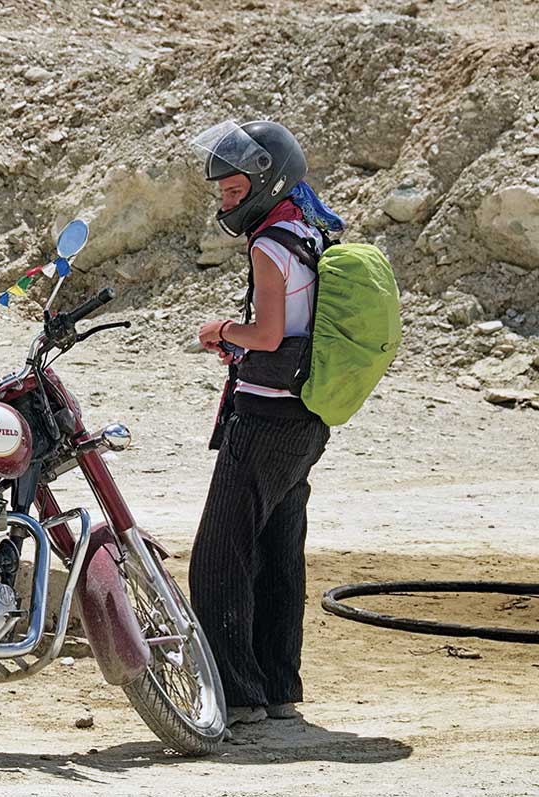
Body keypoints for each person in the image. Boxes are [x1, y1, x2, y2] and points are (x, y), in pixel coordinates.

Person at [187, 120, 345, 727]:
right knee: (278, 552)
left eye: (234, 190)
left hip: (265, 416)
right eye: (223, 192)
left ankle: (237, 695)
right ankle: (277, 689)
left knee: (219, 558)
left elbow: (270, 334)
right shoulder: (309, 229)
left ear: (266, 182)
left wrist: (222, 331)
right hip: (306, 414)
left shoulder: (269, 244)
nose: (227, 201)